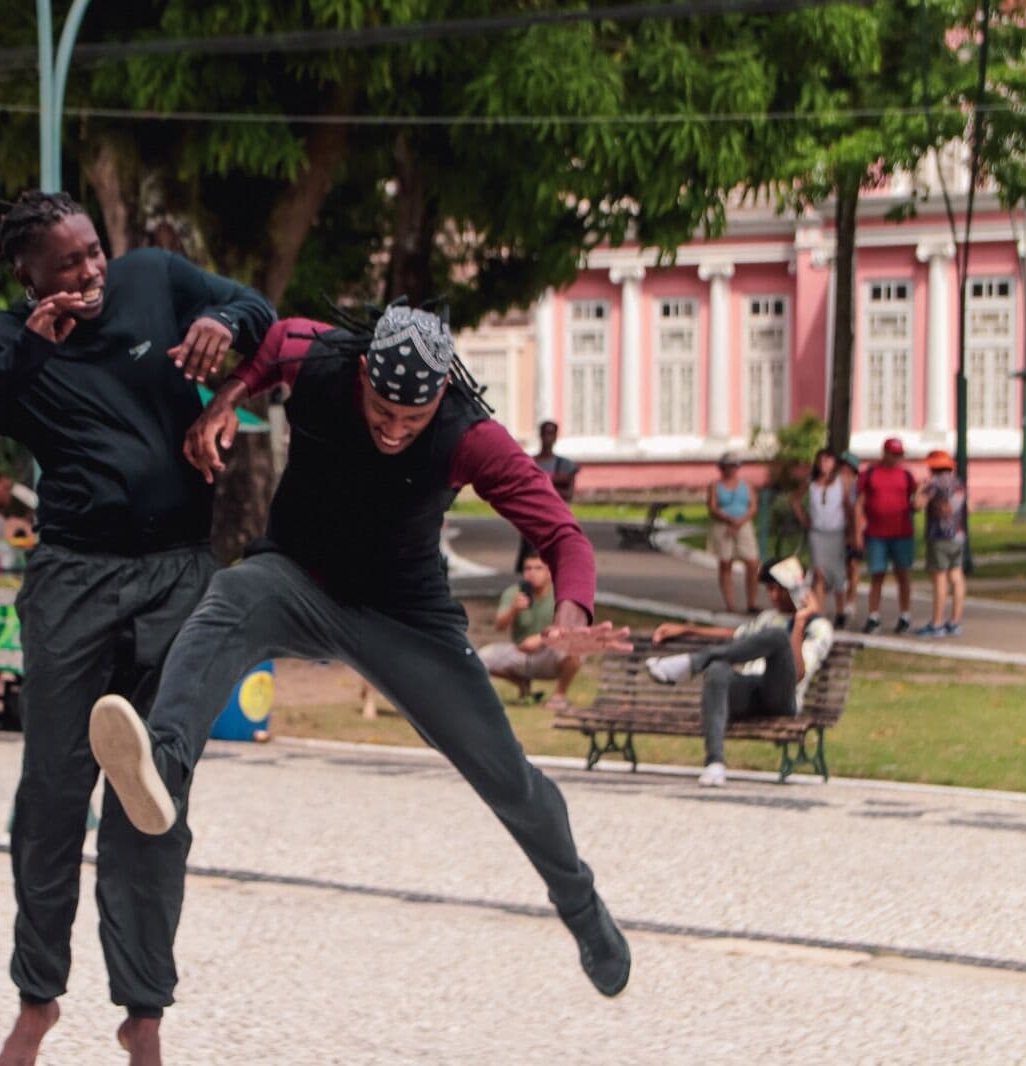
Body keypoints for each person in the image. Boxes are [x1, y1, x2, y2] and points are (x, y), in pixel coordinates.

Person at [87, 306, 636, 1016]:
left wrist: (570, 614)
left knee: (508, 780)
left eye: (413, 419)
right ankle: (161, 766)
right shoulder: (317, 359)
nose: (394, 430)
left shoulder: (470, 435)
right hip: (294, 581)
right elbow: (274, 340)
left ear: (440, 396)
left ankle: (580, 902)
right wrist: (228, 395)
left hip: (404, 619)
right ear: (362, 373)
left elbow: (562, 535)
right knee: (229, 598)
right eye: (382, 410)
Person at [0, 189, 274, 1066]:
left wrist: (221, 321)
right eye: (67, 264)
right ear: (28, 274)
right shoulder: (2, 341)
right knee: (53, 796)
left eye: (93, 251)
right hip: (73, 582)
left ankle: (143, 1013)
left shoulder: (151, 279)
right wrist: (27, 350)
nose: (91, 271)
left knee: (153, 801)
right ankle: (38, 999)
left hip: (179, 574)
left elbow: (259, 310)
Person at [644, 557, 835, 788]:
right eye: (770, 589)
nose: (773, 596)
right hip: (751, 690)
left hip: (781, 697)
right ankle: (714, 763)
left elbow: (798, 674)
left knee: (777, 637)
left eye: (779, 590)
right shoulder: (768, 619)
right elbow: (734, 639)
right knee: (717, 671)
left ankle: (691, 663)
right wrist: (687, 629)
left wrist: (800, 621)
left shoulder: (819, 628)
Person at [479, 550, 581, 709]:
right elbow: (499, 626)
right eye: (528, 568)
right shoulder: (514, 592)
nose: (532, 573)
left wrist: (542, 638)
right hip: (520, 652)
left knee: (574, 650)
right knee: (480, 658)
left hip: (549, 654)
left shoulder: (562, 593)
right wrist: (513, 610)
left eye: (538, 568)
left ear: (549, 572)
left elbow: (571, 626)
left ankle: (559, 695)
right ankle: (521, 683)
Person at [857, 437, 918, 634]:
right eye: (894, 454)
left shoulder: (906, 476)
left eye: (899, 455)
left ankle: (905, 615)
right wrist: (858, 529)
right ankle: (874, 615)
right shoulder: (870, 474)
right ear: (885, 453)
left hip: (901, 532)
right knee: (877, 574)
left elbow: (914, 499)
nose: (896, 458)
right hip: (876, 533)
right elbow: (860, 502)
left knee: (903, 574)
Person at [793, 448, 855, 629]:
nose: (824, 465)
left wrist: (851, 531)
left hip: (836, 532)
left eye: (828, 461)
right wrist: (804, 518)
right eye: (821, 461)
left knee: (837, 573)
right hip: (818, 533)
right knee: (819, 572)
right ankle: (818, 612)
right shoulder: (811, 483)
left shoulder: (840, 482)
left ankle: (841, 610)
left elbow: (847, 507)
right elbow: (795, 499)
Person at [915, 450, 967, 638]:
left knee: (939, 579)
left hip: (939, 537)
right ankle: (955, 622)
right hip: (958, 536)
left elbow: (917, 505)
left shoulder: (934, 484)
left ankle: (937, 623)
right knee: (957, 576)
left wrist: (919, 490)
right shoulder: (958, 483)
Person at [514, 419, 578, 571]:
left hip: (556, 521)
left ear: (556, 437)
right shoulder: (530, 462)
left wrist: (542, 485)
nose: (548, 438)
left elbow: (569, 494)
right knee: (531, 563)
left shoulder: (565, 465)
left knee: (556, 563)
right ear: (540, 436)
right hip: (533, 522)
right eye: (545, 434)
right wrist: (552, 483)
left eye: (551, 434)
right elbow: (524, 491)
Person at [706, 452, 760, 614]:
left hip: (743, 524)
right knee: (725, 563)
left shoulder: (746, 484)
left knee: (752, 563)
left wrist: (740, 521)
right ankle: (730, 604)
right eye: (728, 466)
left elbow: (753, 506)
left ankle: (752, 602)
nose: (731, 470)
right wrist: (728, 519)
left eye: (734, 466)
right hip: (724, 525)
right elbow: (713, 507)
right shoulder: (715, 485)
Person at [839, 451, 864, 621]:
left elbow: (856, 510)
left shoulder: (856, 487)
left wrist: (856, 534)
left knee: (853, 565)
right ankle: (841, 603)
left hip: (854, 530)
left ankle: (850, 600)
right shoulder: (833, 485)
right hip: (837, 530)